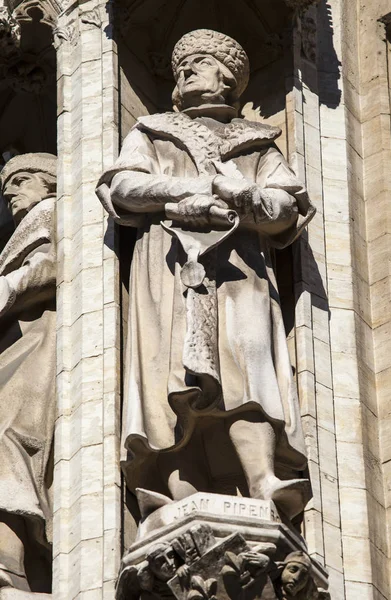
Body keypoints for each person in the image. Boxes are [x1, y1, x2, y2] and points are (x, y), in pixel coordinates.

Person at [97, 29, 315, 521]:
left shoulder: (256, 143)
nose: (186, 71)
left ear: (229, 76)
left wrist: (244, 197)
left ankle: (262, 479)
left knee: (248, 365)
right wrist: (186, 192)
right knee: (170, 374)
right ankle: (180, 495)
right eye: (181, 66)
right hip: (169, 265)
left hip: (240, 269)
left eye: (200, 62)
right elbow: (124, 187)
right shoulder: (153, 130)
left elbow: (285, 207)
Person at [0, 153, 57, 594]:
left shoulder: (49, 211)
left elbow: (49, 266)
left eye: (20, 181)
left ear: (50, 183)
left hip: (40, 342)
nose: (9, 192)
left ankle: (12, 566)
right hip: (18, 344)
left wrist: (5, 288)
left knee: (9, 441)